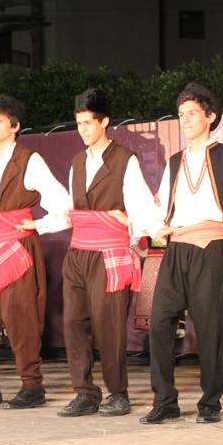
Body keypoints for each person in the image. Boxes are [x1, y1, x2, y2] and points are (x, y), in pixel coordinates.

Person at [141, 83, 223, 425]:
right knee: (160, 322)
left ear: (210, 117)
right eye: (181, 114)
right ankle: (165, 400)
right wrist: (153, 227)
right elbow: (162, 207)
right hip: (176, 247)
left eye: (192, 113)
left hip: (211, 246)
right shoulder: (174, 161)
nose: (185, 120)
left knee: (212, 327)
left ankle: (210, 403)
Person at [0, 95, 71, 410]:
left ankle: (32, 386)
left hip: (17, 246)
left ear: (15, 126)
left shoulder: (28, 159)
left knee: (21, 318)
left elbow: (63, 204)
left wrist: (37, 225)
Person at [58, 88, 155, 418]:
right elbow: (71, 207)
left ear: (104, 122)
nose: (83, 129)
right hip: (78, 253)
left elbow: (141, 208)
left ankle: (118, 392)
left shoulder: (124, 159)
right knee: (74, 322)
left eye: (88, 123)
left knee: (108, 325)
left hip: (109, 252)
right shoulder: (77, 162)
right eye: (79, 124)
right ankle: (84, 392)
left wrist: (131, 228)